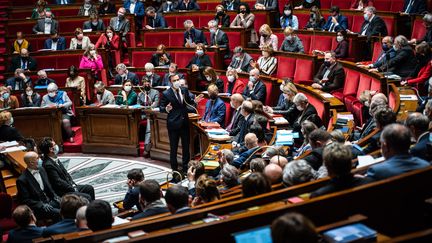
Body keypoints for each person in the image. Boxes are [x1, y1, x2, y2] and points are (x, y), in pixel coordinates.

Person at [159, 74, 201, 175]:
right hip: (173, 124)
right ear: (171, 82)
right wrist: (166, 109)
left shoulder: (184, 90)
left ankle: (186, 168)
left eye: (178, 79)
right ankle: (175, 170)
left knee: (186, 147)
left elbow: (188, 103)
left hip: (184, 123)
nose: (177, 81)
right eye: (175, 80)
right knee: (174, 148)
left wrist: (195, 101)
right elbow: (161, 108)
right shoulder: (166, 94)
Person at [16, 151, 61, 222]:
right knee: (59, 213)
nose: (40, 159)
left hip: (50, 201)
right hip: (38, 207)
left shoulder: (42, 169)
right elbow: (26, 200)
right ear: (31, 162)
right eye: (37, 158)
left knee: (68, 206)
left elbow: (49, 187)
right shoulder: (22, 180)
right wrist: (41, 205)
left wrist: (55, 196)